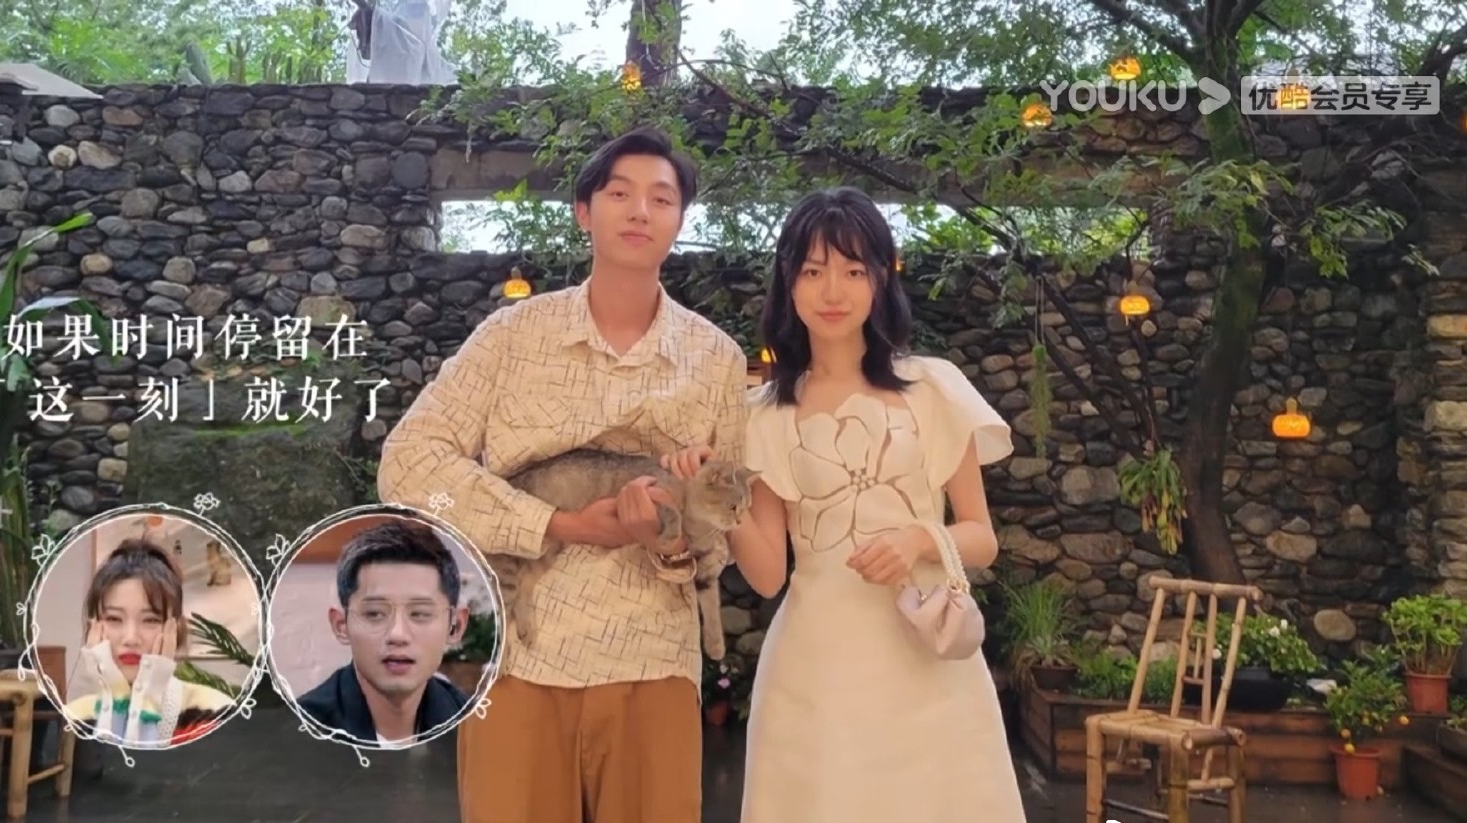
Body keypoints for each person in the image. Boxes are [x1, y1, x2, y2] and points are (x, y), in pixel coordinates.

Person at [376, 126, 748, 823]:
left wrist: (669, 541)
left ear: (679, 220)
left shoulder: (716, 360)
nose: (640, 211)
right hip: (520, 661)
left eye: (661, 198)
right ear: (584, 211)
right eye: (620, 193)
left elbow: (718, 533)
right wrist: (560, 523)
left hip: (653, 664)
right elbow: (408, 462)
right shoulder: (512, 337)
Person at [662, 187, 1027, 822]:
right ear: (789, 281)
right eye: (813, 271)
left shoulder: (932, 390)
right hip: (816, 678)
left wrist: (919, 540)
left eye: (854, 271)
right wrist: (711, 491)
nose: (833, 291)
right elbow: (768, 575)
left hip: (929, 668)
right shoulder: (763, 416)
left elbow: (981, 537)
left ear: (882, 279)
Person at [297, 518, 473, 747]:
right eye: (374, 614)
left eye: (420, 614)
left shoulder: (477, 727)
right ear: (341, 625)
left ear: (455, 626)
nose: (397, 635)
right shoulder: (297, 734)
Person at [63, 538, 235, 748]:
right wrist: (115, 700)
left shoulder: (215, 712)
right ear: (93, 628)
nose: (131, 639)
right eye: (114, 619)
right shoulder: (72, 719)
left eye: (151, 620)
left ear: (175, 629)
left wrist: (149, 699)